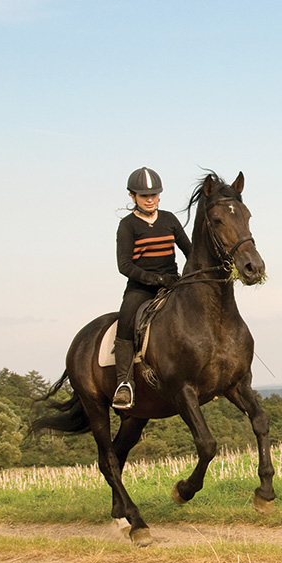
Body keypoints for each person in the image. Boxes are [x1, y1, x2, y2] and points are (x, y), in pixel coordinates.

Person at [112, 166, 192, 409]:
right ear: (132, 196)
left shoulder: (169, 220)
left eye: (154, 195)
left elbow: (191, 251)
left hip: (173, 284)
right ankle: (124, 384)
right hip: (141, 288)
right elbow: (124, 265)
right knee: (126, 320)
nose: (150, 200)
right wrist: (156, 280)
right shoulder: (128, 225)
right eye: (144, 195)